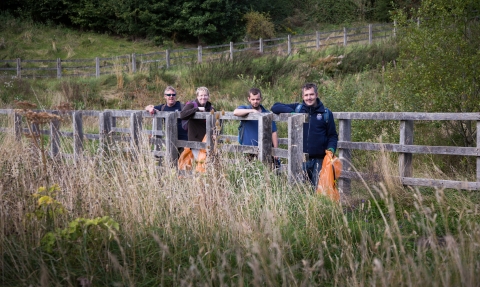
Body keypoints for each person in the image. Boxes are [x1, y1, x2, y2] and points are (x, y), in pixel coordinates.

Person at [271, 83, 338, 187]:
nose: (309, 98)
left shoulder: (326, 113)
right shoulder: (298, 108)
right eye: (306, 95)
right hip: (300, 159)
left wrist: (331, 149)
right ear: (302, 96)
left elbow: (332, 135)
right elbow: (275, 107)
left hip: (319, 160)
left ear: (316, 95)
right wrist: (292, 113)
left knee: (319, 192)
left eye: (311, 94)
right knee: (299, 191)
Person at [233, 88, 279, 167]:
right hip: (248, 150)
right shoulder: (245, 109)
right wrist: (252, 111)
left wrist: (276, 150)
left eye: (257, 99)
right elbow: (235, 112)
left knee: (268, 171)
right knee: (248, 172)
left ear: (260, 99)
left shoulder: (267, 113)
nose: (255, 101)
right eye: (253, 99)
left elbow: (273, 132)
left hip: (265, 150)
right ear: (249, 99)